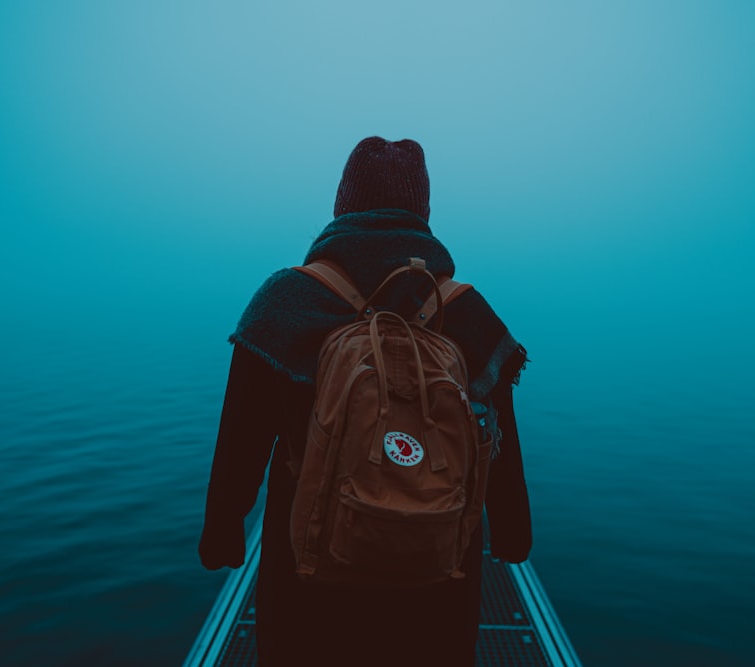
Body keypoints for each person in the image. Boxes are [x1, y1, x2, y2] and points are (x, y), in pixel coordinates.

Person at [198, 136, 532, 666]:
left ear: (342, 205)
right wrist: (513, 535)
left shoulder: (285, 302)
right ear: (423, 211)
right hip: (439, 581)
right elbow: (499, 446)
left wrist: (222, 534)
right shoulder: (467, 312)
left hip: (309, 586)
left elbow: (240, 441)